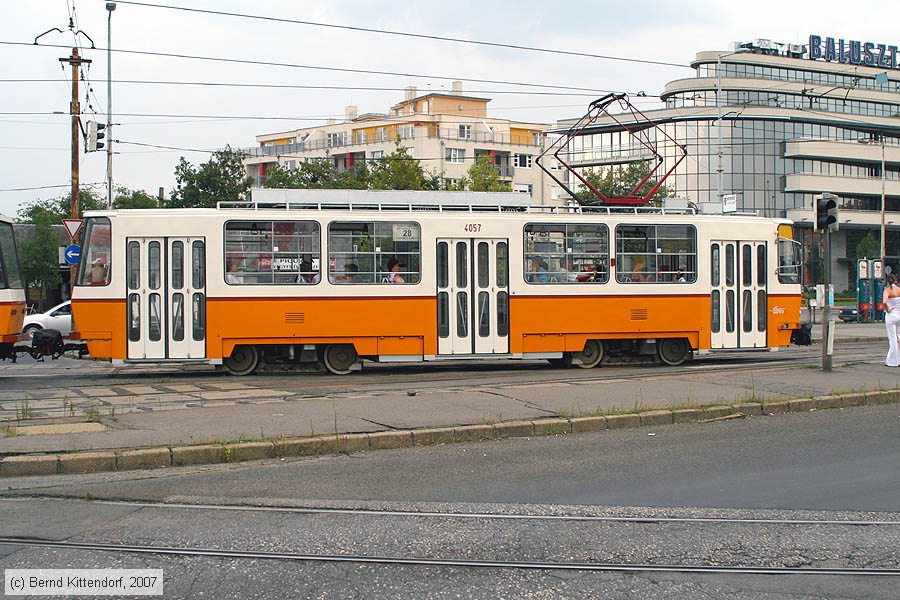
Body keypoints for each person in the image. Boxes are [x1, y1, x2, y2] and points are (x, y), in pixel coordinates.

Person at [884, 274, 900, 367]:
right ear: (895, 281)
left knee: (892, 338)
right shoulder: (899, 290)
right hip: (899, 315)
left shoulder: (887, 290)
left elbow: (884, 302)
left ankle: (892, 361)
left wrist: (888, 309)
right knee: (899, 337)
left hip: (891, 316)